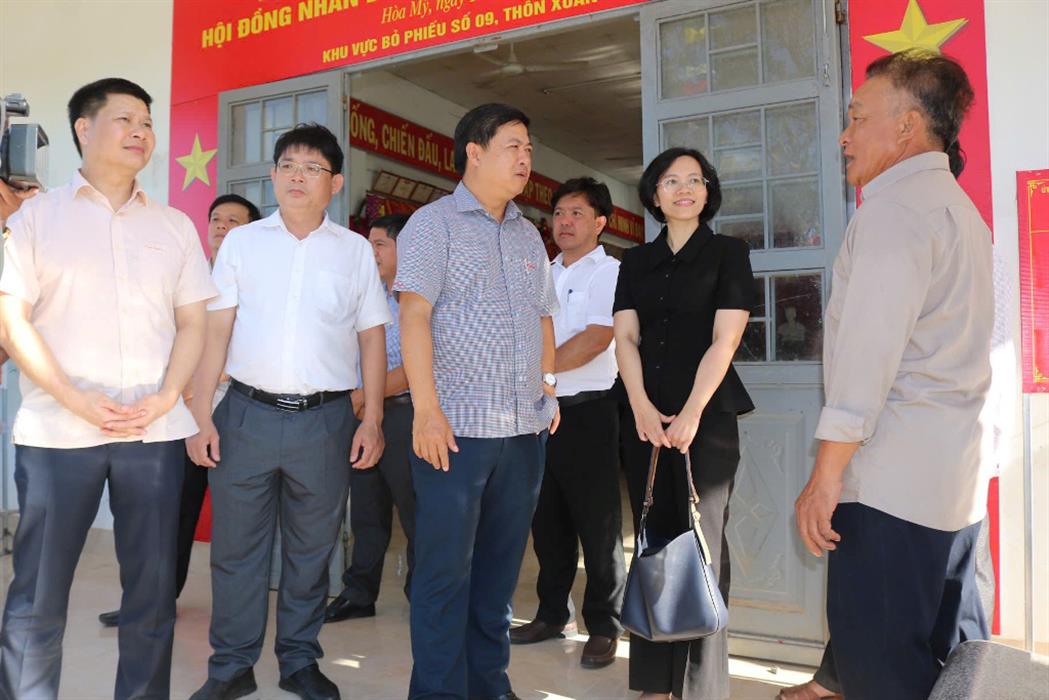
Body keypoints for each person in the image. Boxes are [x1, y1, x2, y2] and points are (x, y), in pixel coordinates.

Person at [0, 77, 215, 699]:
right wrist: (75, 398)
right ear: (83, 128)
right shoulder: (37, 218)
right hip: (58, 433)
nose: (140, 131)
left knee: (151, 594)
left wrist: (169, 396)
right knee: (38, 595)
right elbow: (12, 321)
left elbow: (193, 322)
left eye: (146, 121)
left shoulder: (174, 226)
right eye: (125, 119)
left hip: (153, 432)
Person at [794, 50, 993, 700]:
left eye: (857, 117)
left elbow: (866, 360)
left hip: (890, 491)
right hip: (954, 487)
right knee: (954, 671)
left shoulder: (893, 212)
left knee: (880, 674)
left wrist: (825, 477)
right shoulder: (959, 210)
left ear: (906, 126)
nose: (844, 135)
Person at [185, 123, 389, 700]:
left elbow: (372, 337)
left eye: (312, 167)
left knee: (311, 552)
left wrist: (372, 418)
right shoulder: (243, 244)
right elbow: (216, 332)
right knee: (236, 553)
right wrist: (200, 414)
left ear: (335, 183)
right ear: (274, 176)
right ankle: (231, 667)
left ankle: (299, 660)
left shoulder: (353, 251)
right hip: (244, 416)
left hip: (325, 422)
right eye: (288, 166)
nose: (298, 176)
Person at [394, 102, 559, 700]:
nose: (525, 157)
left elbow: (544, 317)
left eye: (529, 148)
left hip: (523, 434)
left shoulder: (527, 234)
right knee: (444, 578)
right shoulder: (432, 225)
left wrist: (549, 389)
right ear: (475, 152)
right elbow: (414, 316)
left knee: (497, 579)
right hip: (455, 433)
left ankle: (490, 686)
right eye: (514, 145)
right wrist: (426, 411)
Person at [613, 147, 754, 700]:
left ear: (707, 191)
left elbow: (726, 339)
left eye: (695, 180)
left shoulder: (728, 254)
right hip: (644, 420)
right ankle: (654, 684)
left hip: (707, 420)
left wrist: (692, 411)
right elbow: (626, 338)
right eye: (672, 181)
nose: (685, 189)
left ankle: (699, 689)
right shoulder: (634, 262)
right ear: (654, 194)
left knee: (701, 546)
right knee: (653, 543)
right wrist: (641, 406)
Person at [97, 193, 262, 628]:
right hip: (180, 415)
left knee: (241, 521)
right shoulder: (188, 274)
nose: (222, 226)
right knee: (170, 515)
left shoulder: (260, 279)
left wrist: (200, 383)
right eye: (216, 218)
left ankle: (238, 614)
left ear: (252, 229)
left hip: (237, 414)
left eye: (234, 220)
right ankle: (153, 602)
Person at [509, 177, 626, 669]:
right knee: (547, 521)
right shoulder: (542, 270)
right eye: (559, 213)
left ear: (600, 222)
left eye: (577, 213)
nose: (565, 222)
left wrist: (539, 369)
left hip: (587, 411)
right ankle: (552, 613)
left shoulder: (610, 272)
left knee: (597, 524)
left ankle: (605, 624)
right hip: (540, 412)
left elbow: (598, 337)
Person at [325, 213, 416, 623]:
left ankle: (422, 592)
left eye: (380, 244)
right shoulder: (367, 295)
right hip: (362, 415)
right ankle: (359, 593)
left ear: (405, 249)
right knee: (366, 510)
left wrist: (365, 396)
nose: (372, 252)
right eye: (370, 243)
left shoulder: (416, 301)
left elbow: (416, 367)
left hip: (405, 415)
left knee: (415, 512)